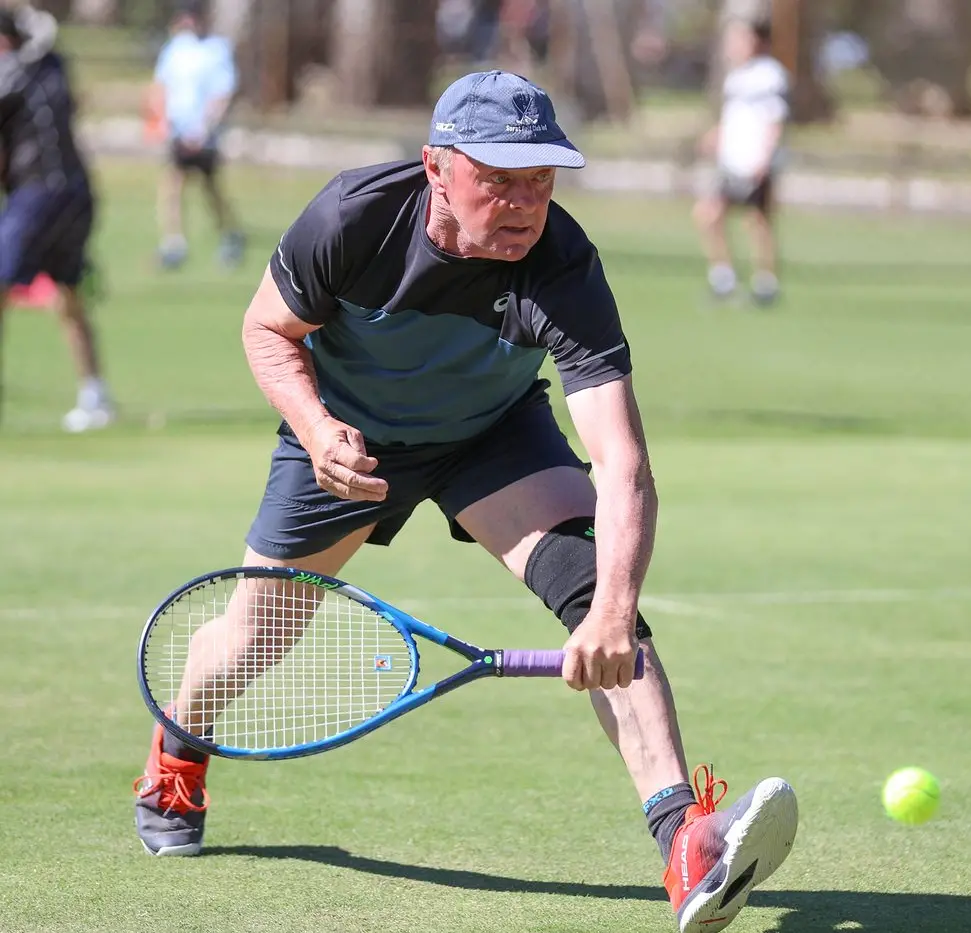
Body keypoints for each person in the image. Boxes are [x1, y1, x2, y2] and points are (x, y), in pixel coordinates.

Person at [131, 70, 798, 933]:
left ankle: (685, 844)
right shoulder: (356, 216)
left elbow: (623, 462)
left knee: (599, 599)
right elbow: (267, 329)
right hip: (348, 440)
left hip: (492, 435)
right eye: (500, 179)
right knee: (253, 640)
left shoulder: (564, 265)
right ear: (437, 167)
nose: (524, 203)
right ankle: (177, 754)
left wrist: (613, 613)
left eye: (541, 179)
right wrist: (316, 425)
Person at [0, 5, 115, 432]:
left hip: (36, 194)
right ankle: (95, 394)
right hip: (78, 192)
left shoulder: (10, 78)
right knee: (67, 294)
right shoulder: (53, 65)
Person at [692, 17, 790, 306]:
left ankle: (765, 284)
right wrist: (716, 136)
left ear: (757, 41)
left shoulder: (770, 75)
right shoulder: (736, 76)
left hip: (755, 162)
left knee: (758, 221)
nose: (734, 45)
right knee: (708, 214)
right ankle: (724, 279)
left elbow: (774, 120)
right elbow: (736, 117)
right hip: (731, 162)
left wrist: (765, 157)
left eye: (741, 38)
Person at [148, 0, 244, 270]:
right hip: (178, 131)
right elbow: (162, 86)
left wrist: (204, 128)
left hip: (204, 134)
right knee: (172, 185)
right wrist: (162, 121)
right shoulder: (176, 49)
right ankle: (174, 243)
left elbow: (223, 93)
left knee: (210, 189)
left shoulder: (217, 49)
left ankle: (230, 234)